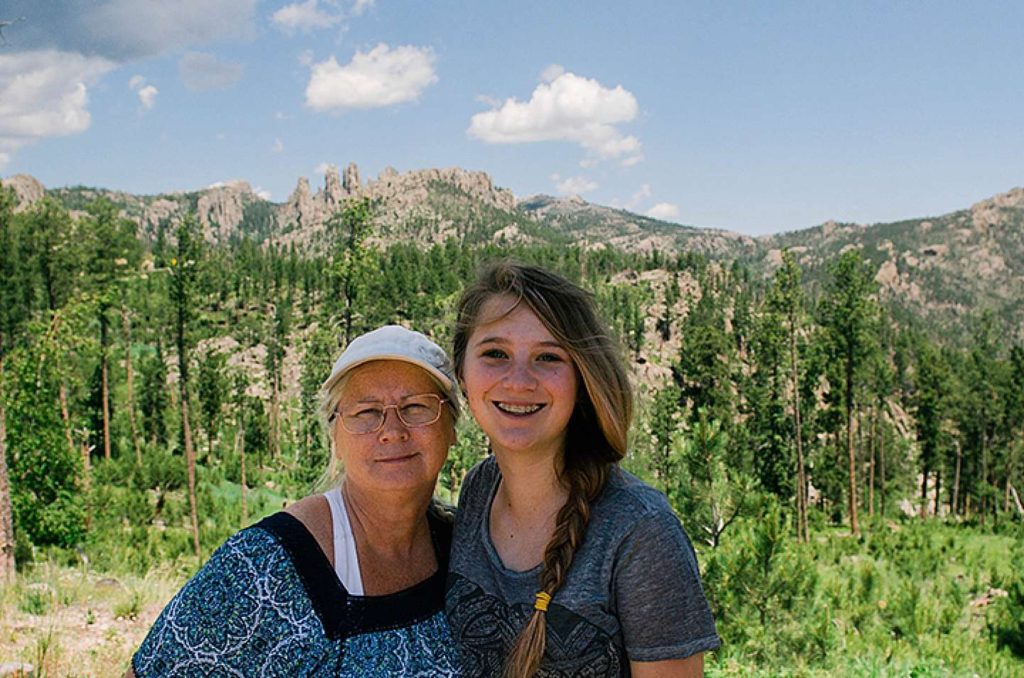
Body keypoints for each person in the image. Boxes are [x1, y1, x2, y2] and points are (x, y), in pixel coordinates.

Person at [129, 325, 462, 676]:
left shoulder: (462, 547)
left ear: (452, 427)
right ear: (336, 436)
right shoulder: (267, 565)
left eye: (415, 407)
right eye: (366, 413)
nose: (393, 430)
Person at [446, 262, 720, 677]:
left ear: (583, 379)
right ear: (462, 373)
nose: (519, 381)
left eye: (548, 356)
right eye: (495, 353)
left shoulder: (639, 531)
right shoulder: (479, 489)